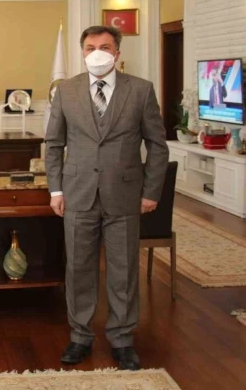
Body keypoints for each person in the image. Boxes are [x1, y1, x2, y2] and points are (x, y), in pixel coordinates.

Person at [45, 25, 168, 371]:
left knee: (123, 270)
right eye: (90, 47)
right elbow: (54, 144)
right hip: (77, 194)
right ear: (82, 52)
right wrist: (56, 190)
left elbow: (157, 146)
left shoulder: (141, 90)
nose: (97, 52)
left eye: (104, 46)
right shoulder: (65, 90)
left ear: (117, 53)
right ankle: (80, 335)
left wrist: (151, 192)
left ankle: (122, 338)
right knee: (78, 268)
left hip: (125, 195)